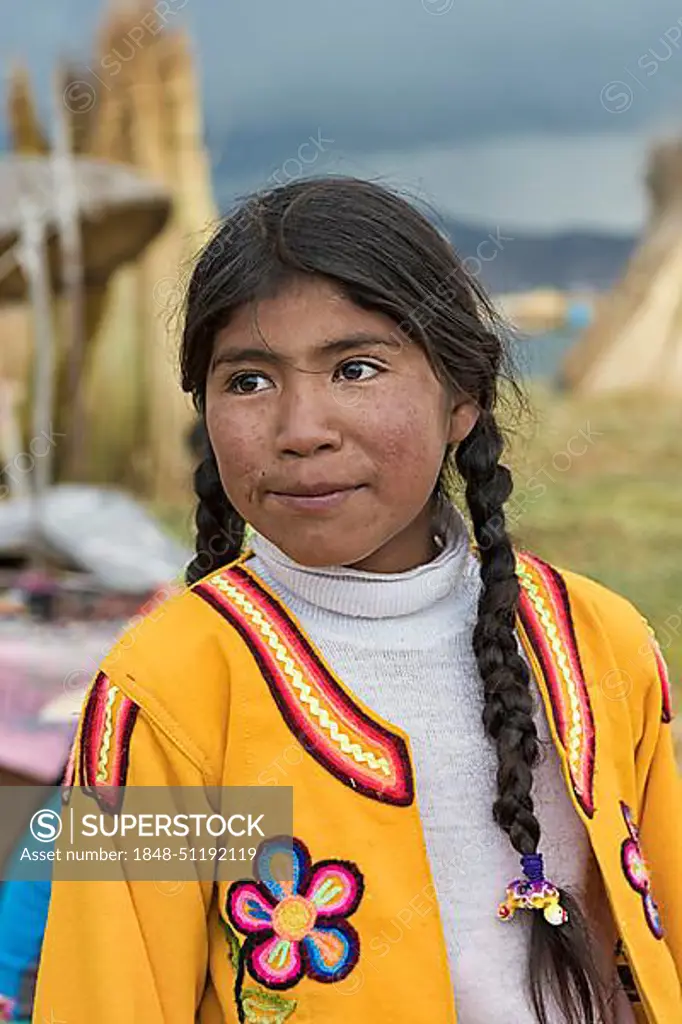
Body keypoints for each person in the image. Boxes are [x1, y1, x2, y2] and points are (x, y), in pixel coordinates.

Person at [33, 178, 681, 1024]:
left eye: (356, 368)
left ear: (461, 398)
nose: (303, 427)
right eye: (249, 381)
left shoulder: (599, 644)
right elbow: (104, 996)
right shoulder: (161, 694)